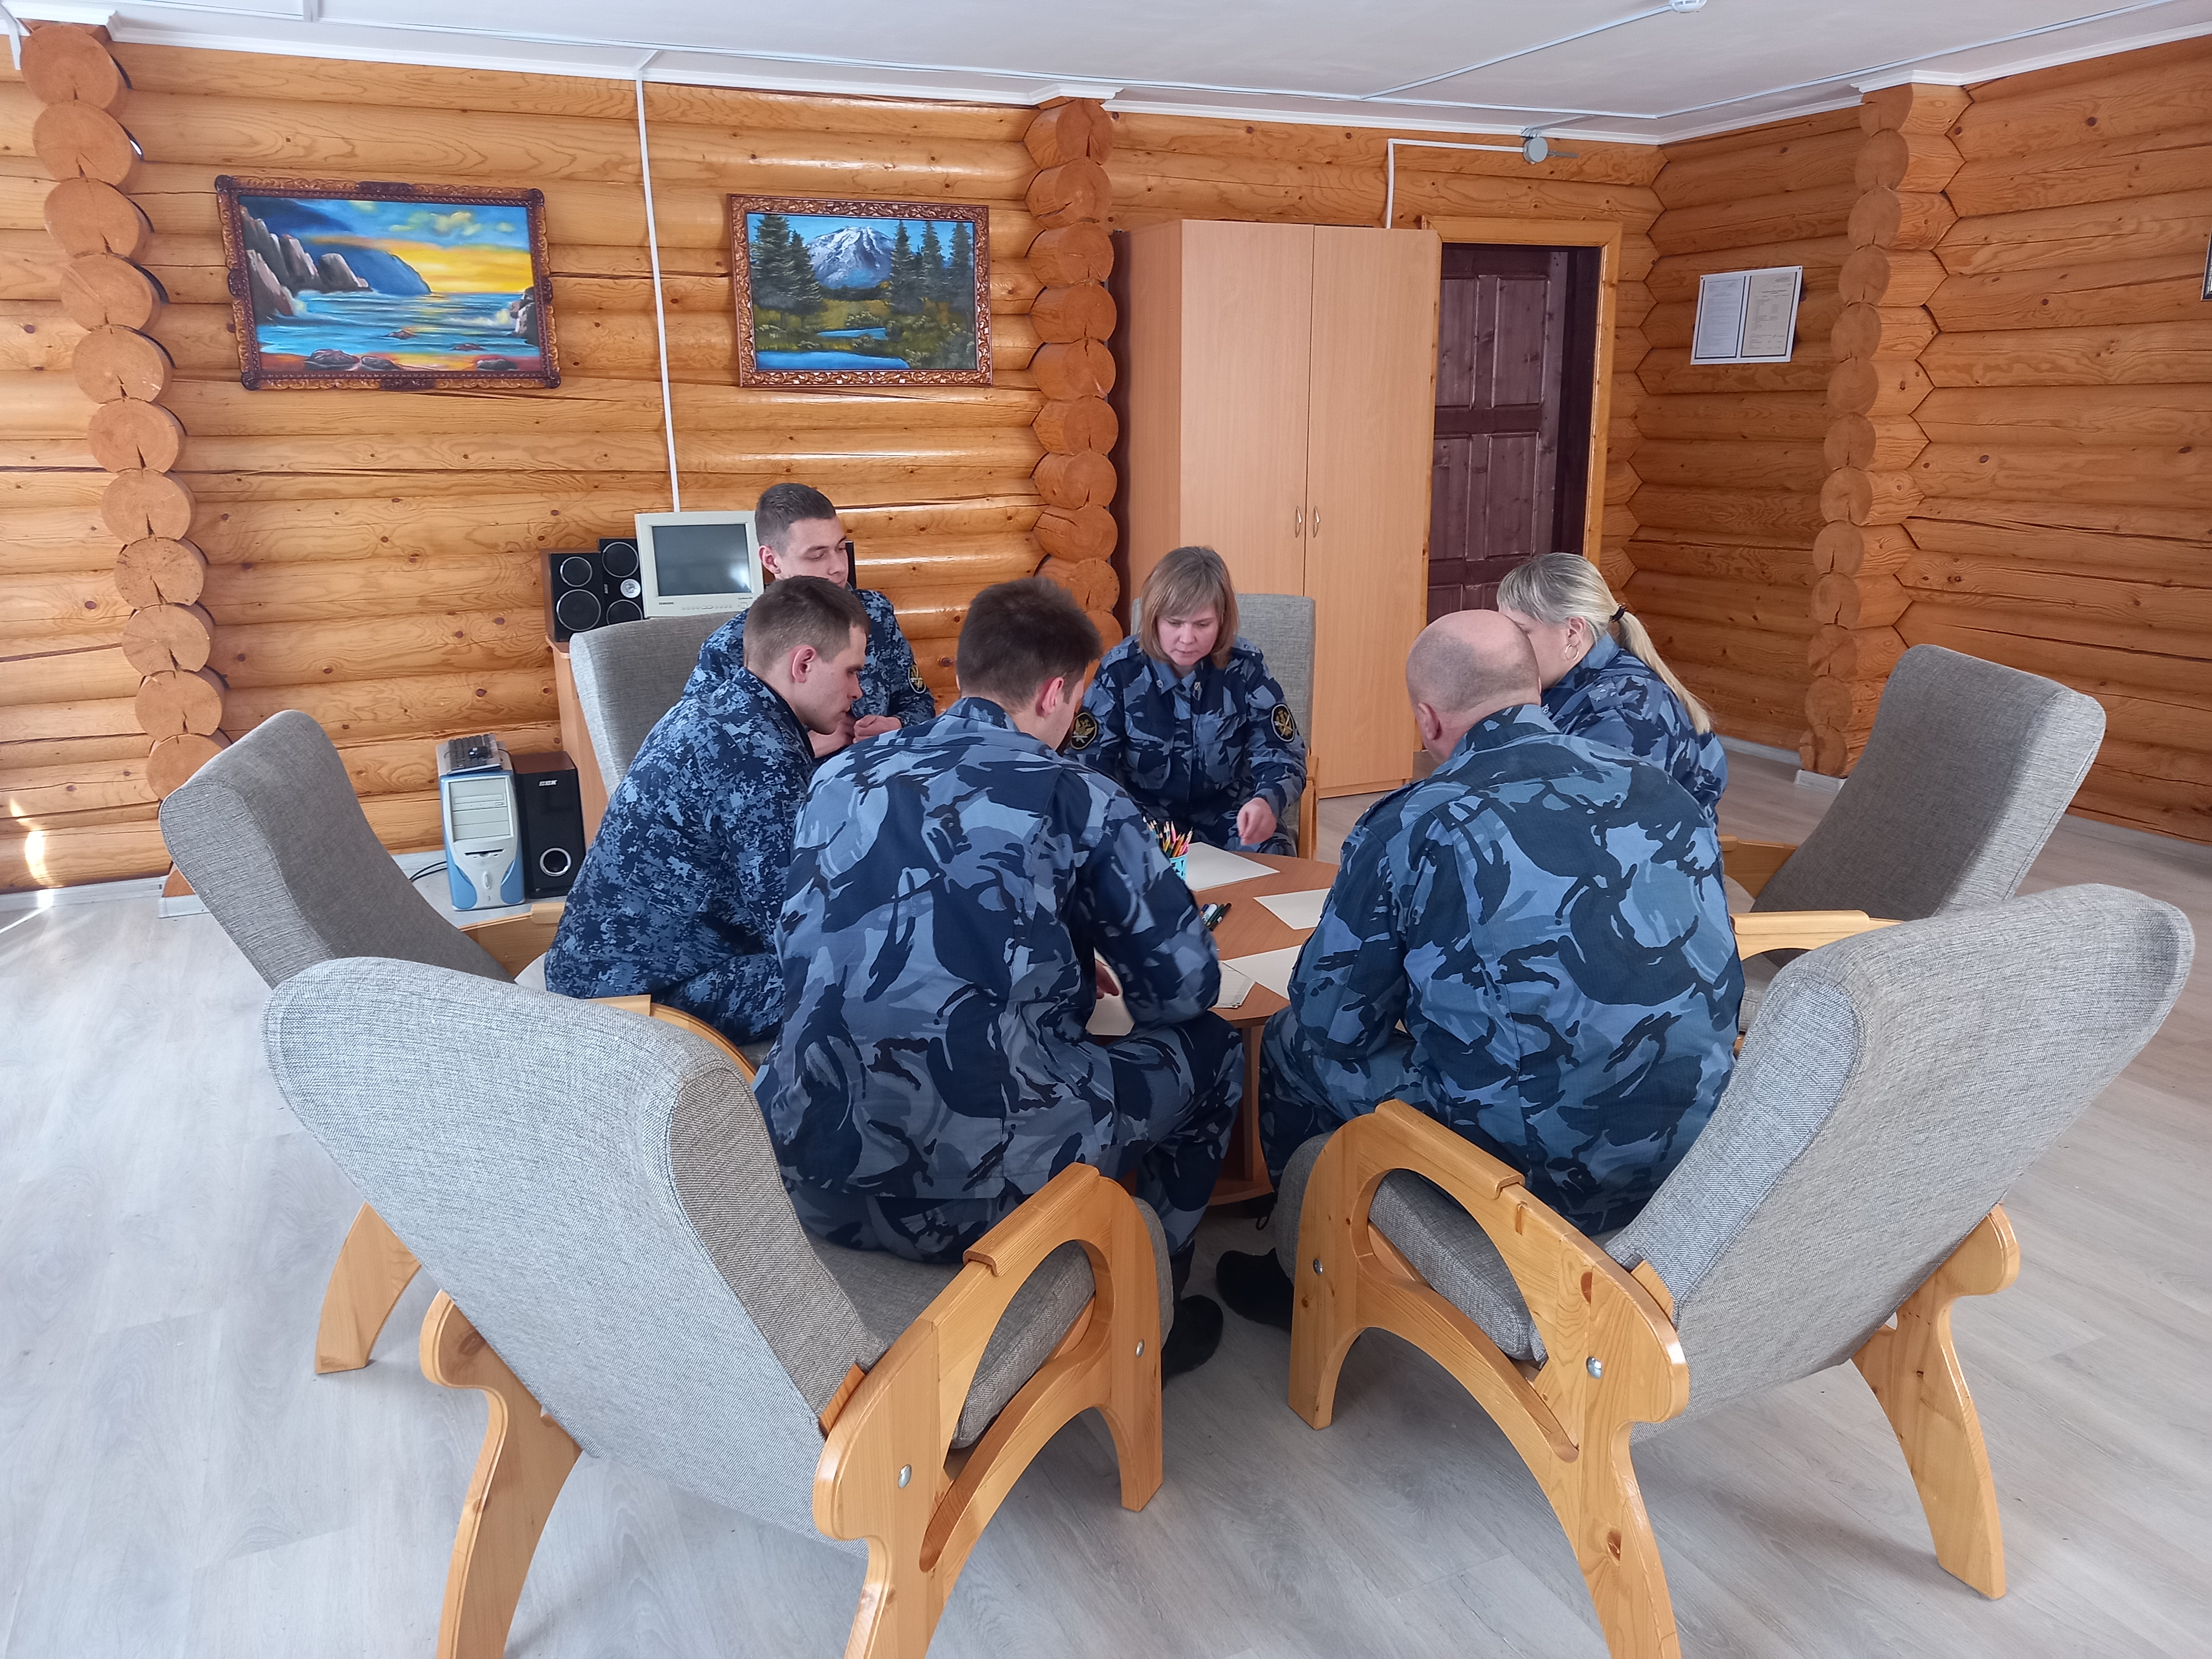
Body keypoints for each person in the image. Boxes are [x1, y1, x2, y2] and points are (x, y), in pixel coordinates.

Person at [760, 578, 1240, 1375]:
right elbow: (1184, 990)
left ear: (963, 673)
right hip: (986, 1201)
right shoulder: (1077, 794)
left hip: (808, 1171)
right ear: (1057, 693)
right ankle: (1146, 1311)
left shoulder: (839, 777)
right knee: (1214, 1052)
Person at [1217, 610, 1742, 1327]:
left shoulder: (1415, 820)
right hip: (1695, 1142)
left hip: (1544, 1172)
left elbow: (1331, 1019)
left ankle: (1303, 1270)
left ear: (1428, 720)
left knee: (1291, 1042)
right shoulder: (1659, 787)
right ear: (1534, 689)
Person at [545, 577, 869, 1048]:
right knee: (876, 968)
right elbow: (796, 926)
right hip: (631, 1005)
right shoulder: (757, 755)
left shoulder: (716, 708)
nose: (858, 690)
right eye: (851, 672)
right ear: (803, 663)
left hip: (603, 973)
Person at [1070, 544, 1307, 854]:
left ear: (1222, 620)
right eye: (1174, 623)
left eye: (1202, 625)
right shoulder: (1121, 670)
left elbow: (1283, 753)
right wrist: (1115, 819)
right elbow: (1088, 763)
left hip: (1230, 816)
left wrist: (1267, 801)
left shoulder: (1245, 668)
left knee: (1276, 855)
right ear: (1154, 619)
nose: (1187, 639)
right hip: (1143, 818)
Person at [685, 481, 937, 755]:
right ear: (771, 561)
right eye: (817, 556)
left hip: (882, 768)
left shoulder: (875, 613)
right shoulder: (729, 646)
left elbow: (919, 702)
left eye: (841, 549)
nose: (838, 568)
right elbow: (700, 750)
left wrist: (897, 726)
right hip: (798, 780)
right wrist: (803, 747)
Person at [1495, 551, 1728, 816]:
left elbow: (1604, 822)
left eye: (1521, 632)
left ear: (1572, 632)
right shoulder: (1558, 680)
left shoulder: (1623, 712)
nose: (1507, 646)